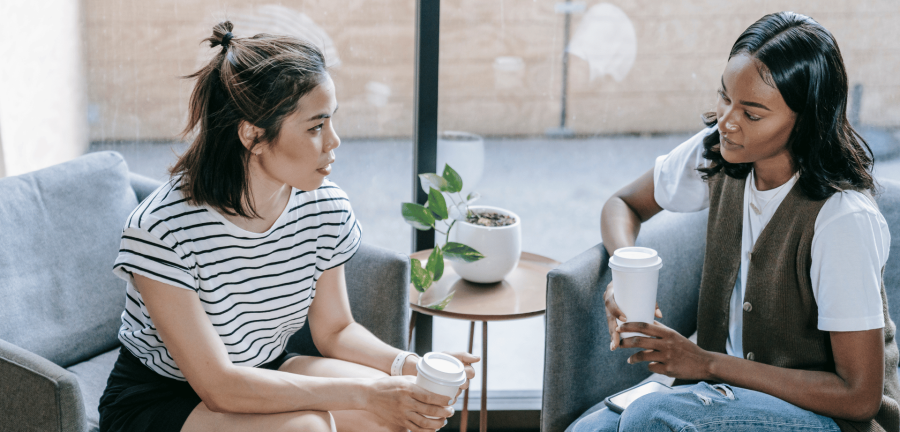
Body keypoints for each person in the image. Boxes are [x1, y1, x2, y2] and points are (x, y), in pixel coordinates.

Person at [97, 22, 478, 432]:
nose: (334, 141)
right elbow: (220, 387)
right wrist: (366, 393)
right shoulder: (161, 229)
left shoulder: (324, 206)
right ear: (253, 135)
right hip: (161, 398)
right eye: (315, 127)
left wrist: (408, 366)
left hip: (266, 368)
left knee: (396, 414)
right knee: (311, 426)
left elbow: (335, 329)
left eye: (331, 121)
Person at [572, 12, 899, 432]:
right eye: (725, 97)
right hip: (724, 395)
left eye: (753, 113)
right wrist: (624, 271)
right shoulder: (720, 152)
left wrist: (705, 362)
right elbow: (623, 204)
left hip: (829, 419)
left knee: (650, 417)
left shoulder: (842, 219)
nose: (727, 121)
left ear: (806, 121)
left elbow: (859, 396)